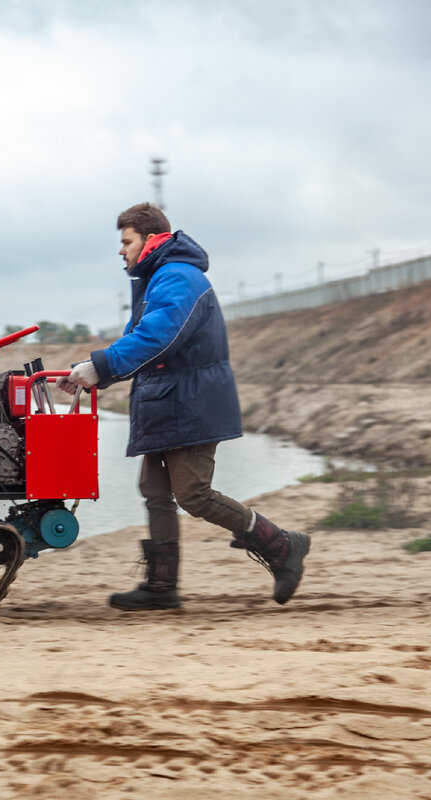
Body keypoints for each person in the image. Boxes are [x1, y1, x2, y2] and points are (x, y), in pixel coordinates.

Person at [58, 202, 310, 610]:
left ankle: (282, 545)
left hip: (190, 402)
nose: (120, 251)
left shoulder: (178, 277)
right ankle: (161, 588)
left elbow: (159, 336)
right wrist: (91, 374)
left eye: (126, 242)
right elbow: (136, 343)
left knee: (193, 494)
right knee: (154, 489)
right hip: (166, 401)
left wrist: (99, 366)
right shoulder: (158, 278)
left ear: (150, 239)